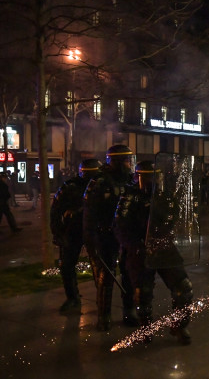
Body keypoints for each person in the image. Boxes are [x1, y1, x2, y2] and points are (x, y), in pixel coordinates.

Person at [113, 161, 193, 345]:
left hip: (164, 248)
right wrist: (136, 245)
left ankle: (179, 325)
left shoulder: (164, 196)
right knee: (143, 293)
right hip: (140, 250)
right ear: (138, 178)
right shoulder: (129, 198)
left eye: (155, 177)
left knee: (184, 288)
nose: (151, 181)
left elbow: (173, 219)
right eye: (147, 177)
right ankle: (145, 327)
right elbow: (120, 227)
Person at [82, 145, 136, 331]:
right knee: (106, 278)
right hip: (105, 236)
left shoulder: (131, 181)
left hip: (126, 235)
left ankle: (130, 311)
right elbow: (89, 215)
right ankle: (104, 316)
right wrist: (91, 242)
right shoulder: (98, 182)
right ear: (117, 162)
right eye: (127, 160)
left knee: (129, 274)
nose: (130, 164)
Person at [50, 159, 101, 313]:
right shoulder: (70, 186)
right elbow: (55, 211)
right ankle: (72, 297)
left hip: (94, 231)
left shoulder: (102, 186)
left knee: (100, 267)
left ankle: (103, 298)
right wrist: (58, 232)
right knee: (66, 265)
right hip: (72, 231)